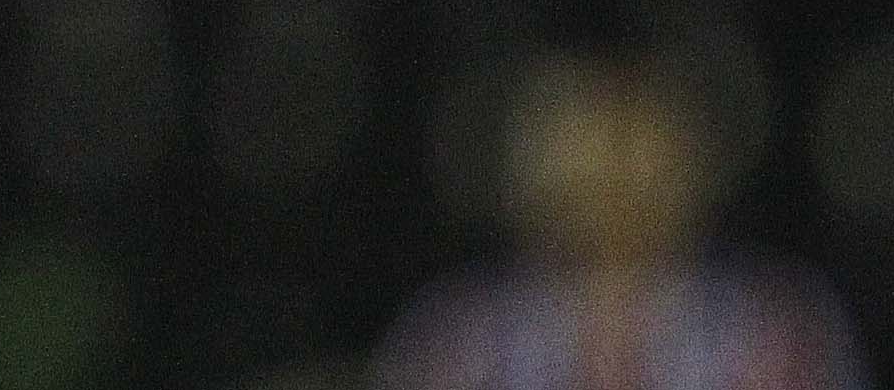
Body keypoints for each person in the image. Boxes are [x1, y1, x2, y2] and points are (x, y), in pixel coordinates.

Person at [369, 53, 865, 390]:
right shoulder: (466, 339)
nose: (614, 199)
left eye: (634, 176)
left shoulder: (770, 333)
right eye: (592, 174)